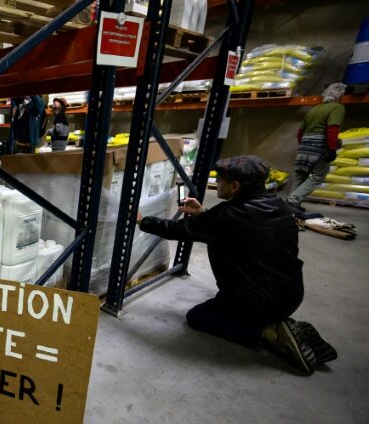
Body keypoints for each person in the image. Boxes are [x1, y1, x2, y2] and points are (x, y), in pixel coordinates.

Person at [137, 155, 337, 375]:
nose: (218, 183)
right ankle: (279, 324)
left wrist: (141, 220)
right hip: (290, 293)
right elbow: (232, 231)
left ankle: (268, 332)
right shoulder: (280, 206)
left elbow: (177, 230)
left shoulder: (231, 215)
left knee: (198, 317)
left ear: (234, 185)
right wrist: (202, 214)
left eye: (220, 179)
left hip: (256, 300)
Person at [285, 82, 346, 212]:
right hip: (320, 146)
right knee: (318, 176)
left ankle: (291, 204)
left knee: (301, 175)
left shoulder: (314, 109)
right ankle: (293, 200)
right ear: (339, 95)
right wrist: (332, 148)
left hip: (305, 145)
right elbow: (332, 129)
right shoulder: (337, 108)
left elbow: (300, 133)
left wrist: (305, 145)